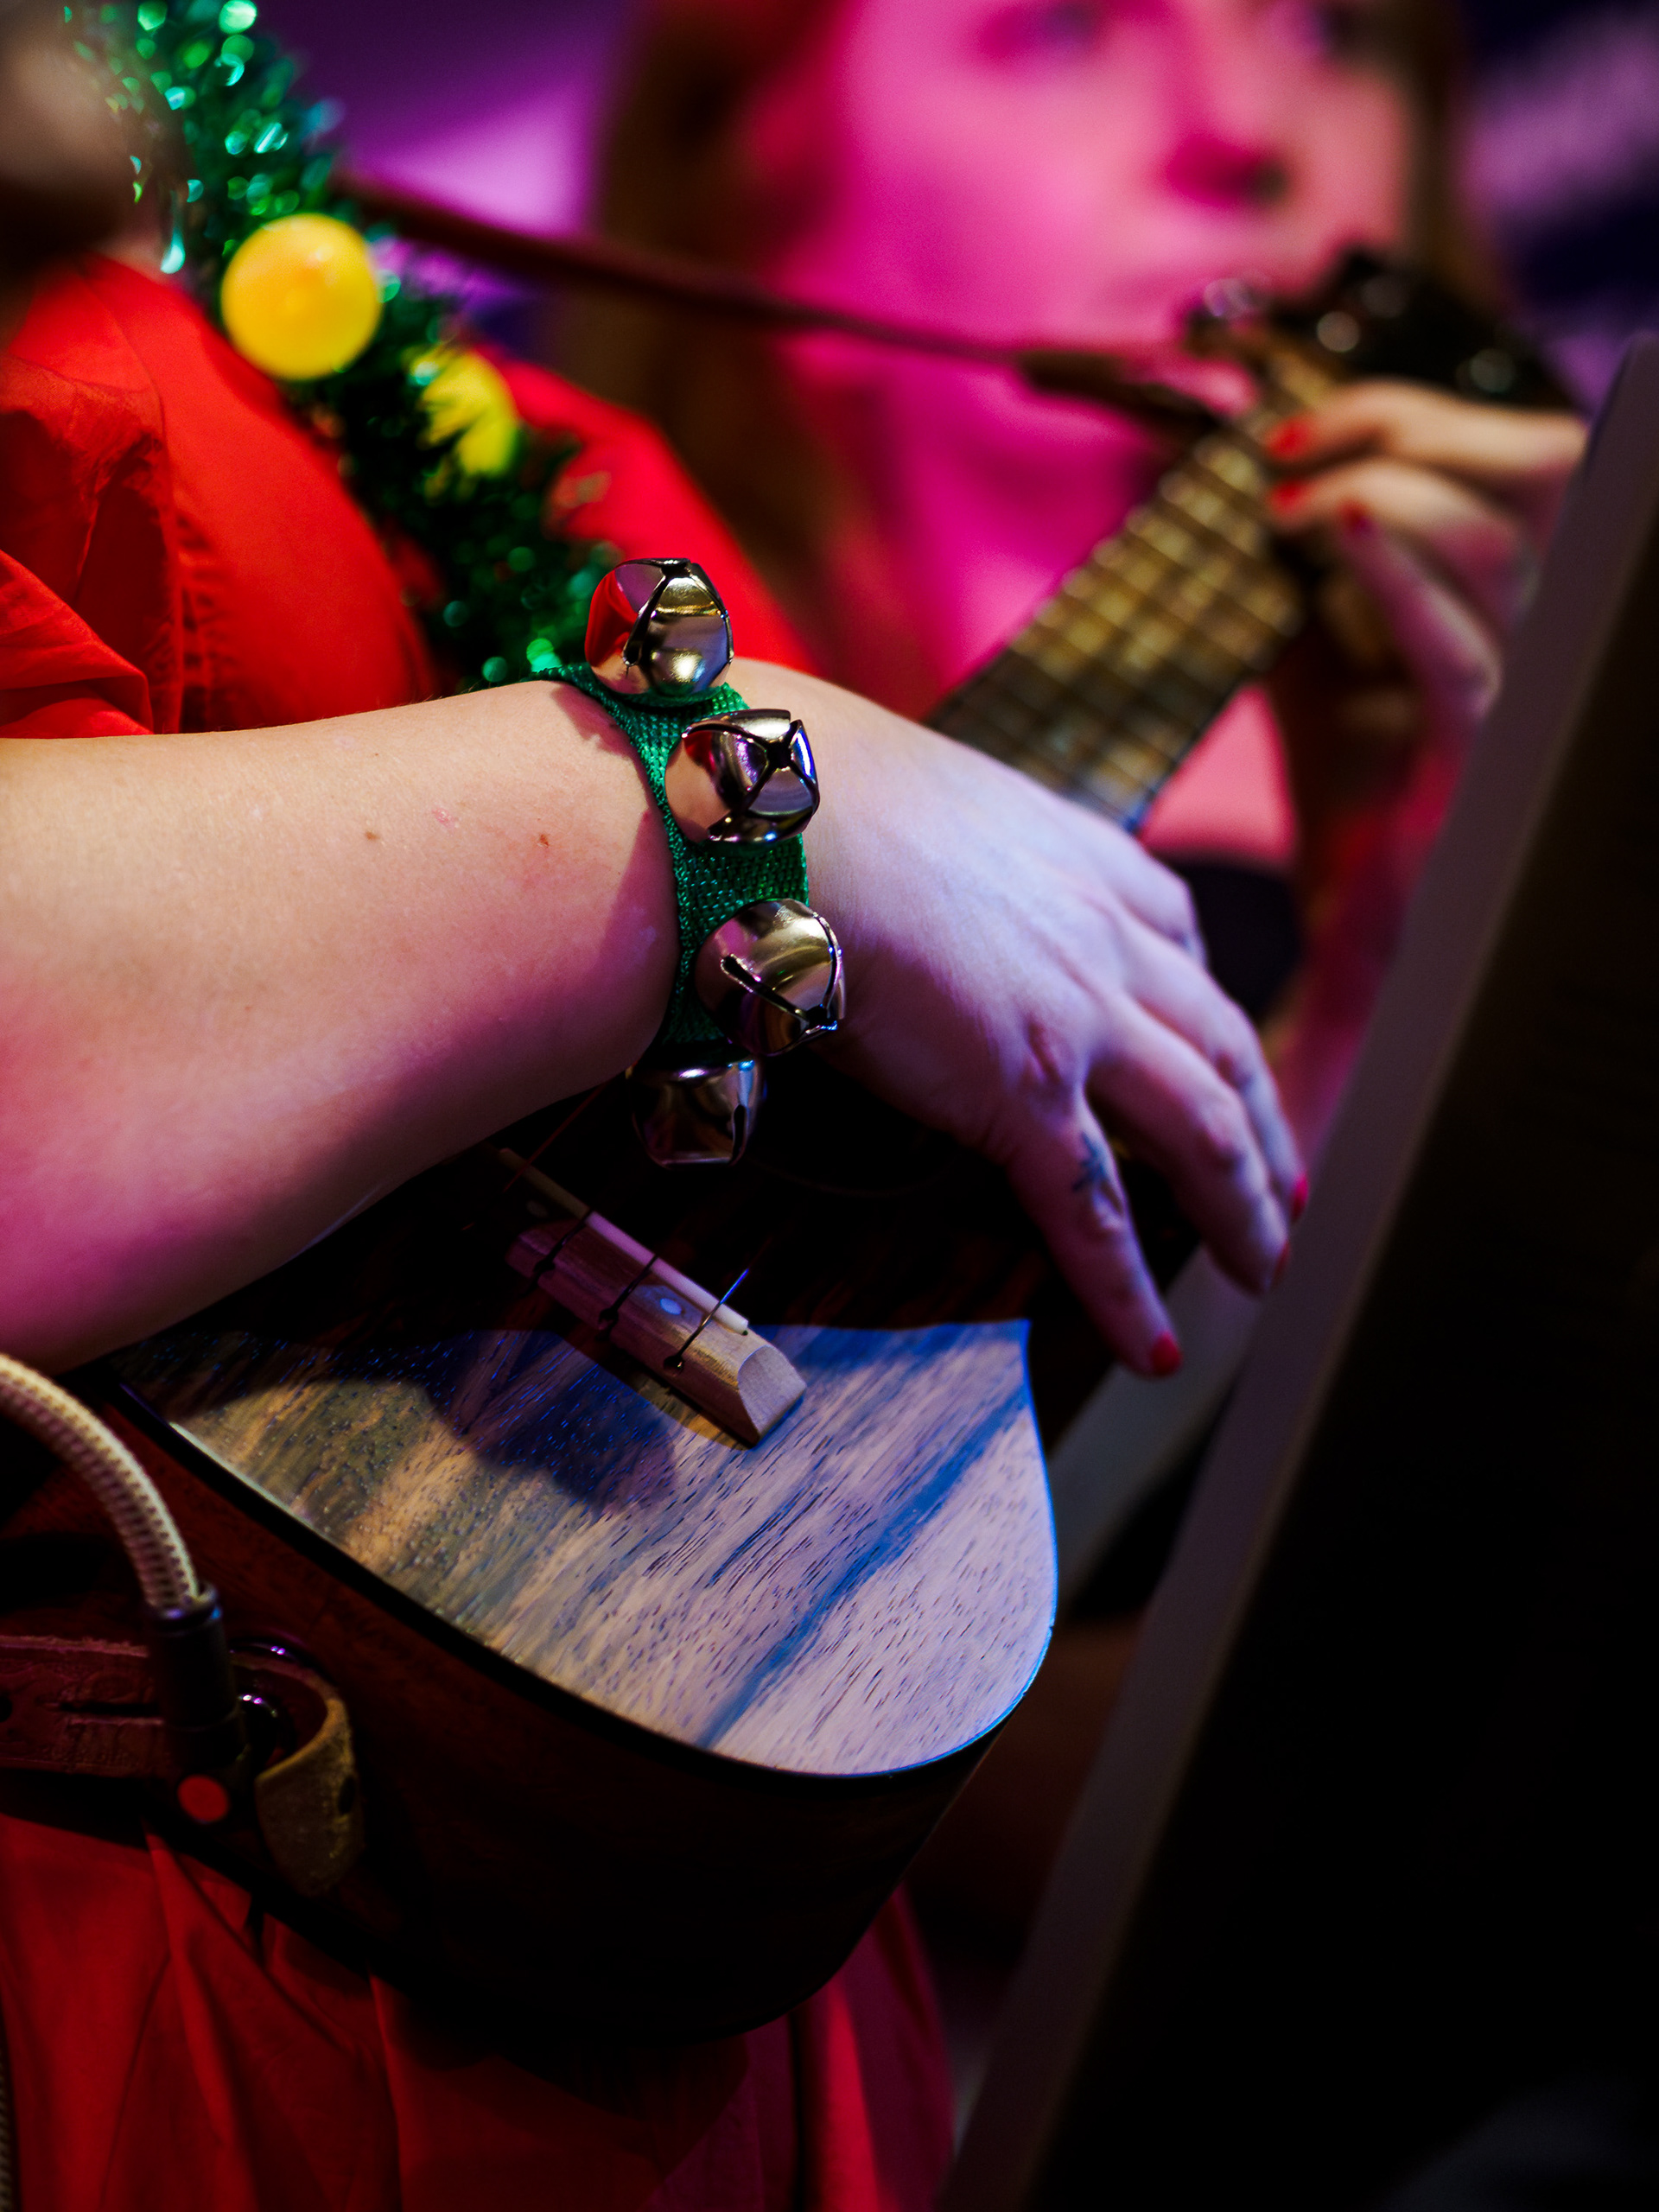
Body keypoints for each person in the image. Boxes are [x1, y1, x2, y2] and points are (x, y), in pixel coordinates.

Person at [0, 8, 1304, 2202]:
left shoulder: (468, 394)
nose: (1240, 120)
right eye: (1062, 24)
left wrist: (1374, 941)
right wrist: (718, 797)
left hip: (706, 2036)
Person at [574, 0, 1586, 1125]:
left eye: (1322, 29)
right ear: (766, 219)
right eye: (1062, 31)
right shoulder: (639, 873)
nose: (1243, 129)